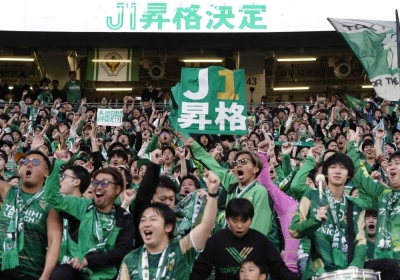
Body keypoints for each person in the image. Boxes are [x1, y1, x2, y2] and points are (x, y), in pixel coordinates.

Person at [289, 152, 398, 280]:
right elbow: (293, 230)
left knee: (390, 265)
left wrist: (355, 267)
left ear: (349, 175)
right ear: (325, 173)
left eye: (343, 168)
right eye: (333, 167)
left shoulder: (355, 207)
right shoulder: (311, 197)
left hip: (348, 267)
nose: (338, 171)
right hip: (319, 269)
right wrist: (315, 220)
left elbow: (361, 242)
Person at [44, 149, 135, 280]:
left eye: (104, 183)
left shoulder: (124, 217)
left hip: (106, 276)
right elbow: (52, 197)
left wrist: (88, 260)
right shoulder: (81, 206)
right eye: (95, 183)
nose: (98, 187)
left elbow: (123, 250)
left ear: (117, 189)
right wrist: (58, 164)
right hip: (76, 272)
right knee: (61, 273)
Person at [117, 170, 220, 280]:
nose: (147, 224)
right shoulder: (130, 260)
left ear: (168, 226)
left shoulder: (181, 250)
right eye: (143, 220)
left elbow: (206, 227)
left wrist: (212, 193)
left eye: (153, 220)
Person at [190, 198, 297, 280]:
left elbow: (279, 269)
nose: (239, 226)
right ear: (227, 219)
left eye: (244, 221)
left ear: (251, 220)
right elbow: (200, 270)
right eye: (235, 220)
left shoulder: (260, 240)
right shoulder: (217, 240)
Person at [0, 150, 62, 279]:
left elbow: (54, 242)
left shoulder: (50, 204)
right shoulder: (8, 191)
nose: (29, 164)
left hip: (28, 273)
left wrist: (45, 277)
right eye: (26, 162)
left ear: (46, 173)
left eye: (35, 162)